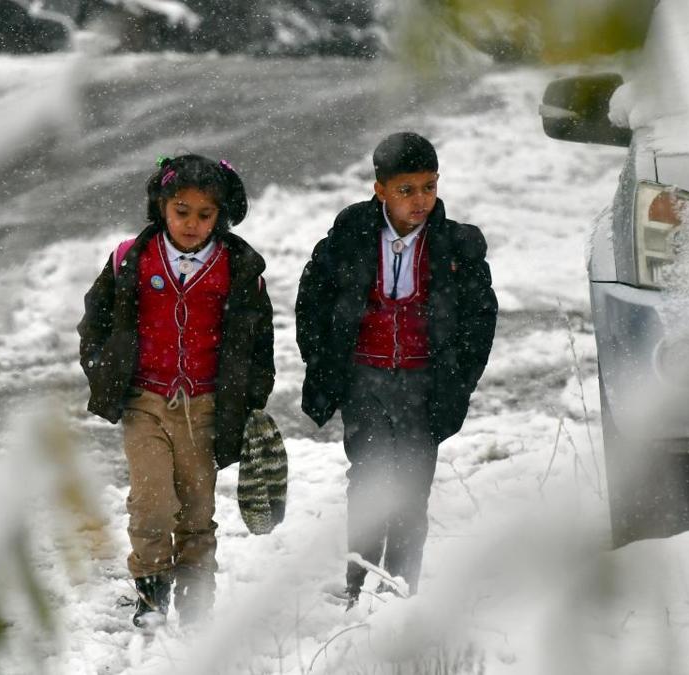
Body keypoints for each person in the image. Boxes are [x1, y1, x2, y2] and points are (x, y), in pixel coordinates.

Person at [295, 132, 497, 606]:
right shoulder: (350, 237)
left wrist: (457, 381)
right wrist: (324, 364)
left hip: (423, 386)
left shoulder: (455, 245)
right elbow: (313, 300)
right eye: (406, 190)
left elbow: (479, 318)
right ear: (379, 189)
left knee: (411, 490)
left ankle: (399, 589)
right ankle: (356, 583)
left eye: (429, 187)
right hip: (364, 382)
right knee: (366, 482)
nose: (420, 200)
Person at [78, 154, 275, 627]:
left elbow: (259, 342)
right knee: (151, 505)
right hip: (145, 401)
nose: (192, 223)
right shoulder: (131, 259)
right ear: (161, 206)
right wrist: (104, 371)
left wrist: (250, 399)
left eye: (205, 214)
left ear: (221, 215)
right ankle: (151, 593)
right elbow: (95, 323)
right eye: (181, 210)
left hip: (206, 407)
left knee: (196, 509)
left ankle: (196, 601)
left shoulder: (238, 268)